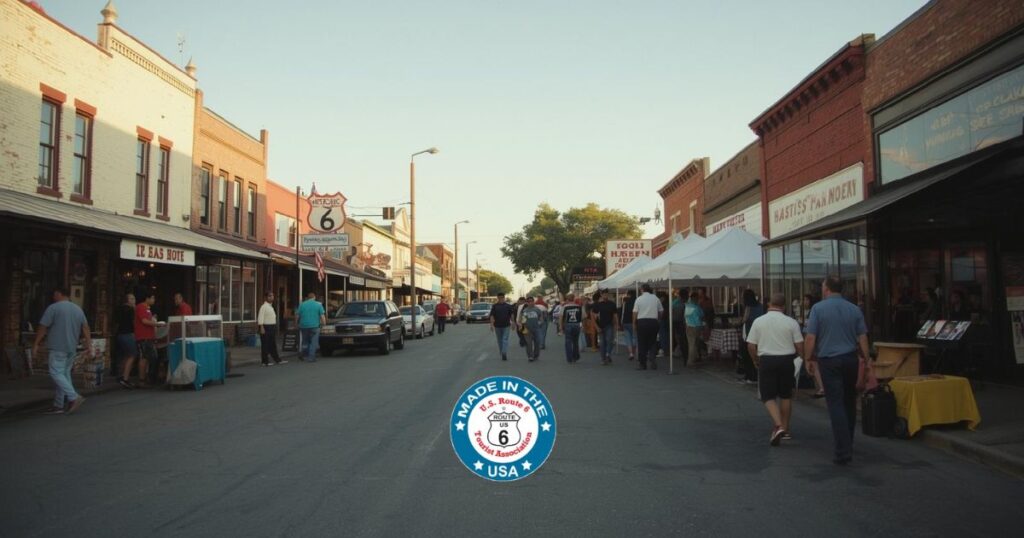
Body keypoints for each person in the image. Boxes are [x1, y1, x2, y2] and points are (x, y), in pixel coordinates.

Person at [804, 276, 871, 466]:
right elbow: (863, 337)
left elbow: (810, 337)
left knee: (835, 403)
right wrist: (866, 360)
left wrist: (808, 358)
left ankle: (843, 450)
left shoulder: (818, 309)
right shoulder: (854, 309)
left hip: (829, 360)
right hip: (850, 359)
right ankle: (847, 441)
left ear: (826, 289)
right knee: (849, 401)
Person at [746, 292, 805, 446]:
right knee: (786, 395)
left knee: (767, 396)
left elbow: (751, 345)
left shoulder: (759, 321)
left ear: (768, 304)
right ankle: (785, 429)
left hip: (767, 359)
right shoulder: (791, 322)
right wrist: (804, 357)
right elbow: (799, 345)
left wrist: (755, 359)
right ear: (784, 306)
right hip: (787, 360)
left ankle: (778, 425)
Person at [33, 287, 92, 415]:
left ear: (59, 294)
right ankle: (58, 404)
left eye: (54, 294)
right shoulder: (77, 309)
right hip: (72, 346)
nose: (53, 297)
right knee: (64, 374)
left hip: (58, 346)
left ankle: (73, 397)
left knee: (56, 372)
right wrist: (89, 345)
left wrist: (36, 343)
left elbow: (43, 327)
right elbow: (86, 327)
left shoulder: (53, 308)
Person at [632, 283, 663, 370]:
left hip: (642, 322)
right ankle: (652, 358)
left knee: (642, 343)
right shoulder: (655, 298)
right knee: (652, 342)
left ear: (642, 289)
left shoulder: (639, 299)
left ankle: (643, 364)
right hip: (653, 322)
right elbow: (661, 311)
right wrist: (658, 319)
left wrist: (634, 323)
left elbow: (635, 313)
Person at [737, 289, 764, 386]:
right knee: (748, 357)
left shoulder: (750, 308)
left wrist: (742, 321)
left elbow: (745, 320)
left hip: (750, 336)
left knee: (749, 357)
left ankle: (752, 377)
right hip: (751, 336)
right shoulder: (759, 307)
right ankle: (749, 376)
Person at [134, 292, 160, 388]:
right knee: (144, 357)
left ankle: (147, 377)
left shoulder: (148, 309)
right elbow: (144, 321)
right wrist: (156, 324)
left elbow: (149, 320)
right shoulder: (141, 307)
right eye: (152, 298)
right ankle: (142, 380)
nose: (154, 300)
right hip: (143, 336)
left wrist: (154, 321)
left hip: (149, 336)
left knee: (151, 357)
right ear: (147, 298)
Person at [258, 292, 287, 366]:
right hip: (266, 327)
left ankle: (277, 359)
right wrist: (261, 327)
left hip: (272, 327)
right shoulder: (264, 306)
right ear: (266, 297)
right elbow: (260, 317)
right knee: (265, 344)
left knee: (272, 344)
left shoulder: (270, 306)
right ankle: (264, 362)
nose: (272, 297)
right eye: (270, 296)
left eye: (272, 296)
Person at [114, 293, 136, 389]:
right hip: (128, 334)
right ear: (127, 300)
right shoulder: (131, 310)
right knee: (132, 355)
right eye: (132, 298)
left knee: (125, 355)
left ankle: (121, 375)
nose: (134, 300)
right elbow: (134, 322)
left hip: (120, 334)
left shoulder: (119, 309)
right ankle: (125, 378)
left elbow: (116, 321)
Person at [296, 291, 326, 362]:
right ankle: (311, 357)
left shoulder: (302, 305)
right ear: (314, 297)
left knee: (305, 341)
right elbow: (322, 316)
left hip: (303, 326)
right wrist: (324, 324)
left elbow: (297, 316)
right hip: (315, 326)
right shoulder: (318, 305)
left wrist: (296, 324)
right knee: (313, 342)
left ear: (307, 298)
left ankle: (304, 355)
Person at [489, 293, 516, 361]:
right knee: (499, 340)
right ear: (497, 298)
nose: (501, 299)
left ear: (504, 298)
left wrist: (513, 323)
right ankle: (502, 351)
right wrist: (491, 325)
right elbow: (492, 315)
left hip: (506, 325)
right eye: (499, 298)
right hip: (497, 326)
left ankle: (504, 352)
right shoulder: (494, 306)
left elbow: (512, 315)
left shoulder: (508, 306)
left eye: (502, 297)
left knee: (505, 339)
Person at [519, 297, 544, 362]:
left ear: (533, 302)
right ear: (527, 303)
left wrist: (540, 322)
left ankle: (536, 355)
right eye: (529, 301)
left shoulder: (537, 310)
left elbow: (541, 318)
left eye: (531, 301)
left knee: (537, 342)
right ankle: (530, 356)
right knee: (528, 343)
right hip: (527, 329)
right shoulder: (524, 310)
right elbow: (521, 320)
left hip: (536, 329)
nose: (530, 303)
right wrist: (521, 325)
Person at [684, 291, 705, 367]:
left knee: (691, 344)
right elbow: (702, 316)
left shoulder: (686, 306)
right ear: (695, 298)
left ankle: (693, 359)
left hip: (688, 326)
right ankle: (691, 361)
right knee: (694, 344)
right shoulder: (697, 307)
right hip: (697, 326)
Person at [561, 294, 583, 364]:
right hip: (577, 325)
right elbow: (582, 317)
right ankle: (575, 357)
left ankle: (569, 358)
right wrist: (582, 325)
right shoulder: (579, 307)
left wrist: (560, 327)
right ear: (574, 299)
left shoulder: (565, 307)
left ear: (567, 299)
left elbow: (561, 317)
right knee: (575, 342)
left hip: (568, 325)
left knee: (568, 342)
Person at [619, 290, 637, 361]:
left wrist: (621, 323)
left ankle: (631, 353)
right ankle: (636, 353)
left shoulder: (625, 302)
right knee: (635, 337)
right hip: (634, 322)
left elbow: (622, 312)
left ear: (629, 295)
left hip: (625, 322)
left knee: (628, 338)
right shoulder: (636, 301)